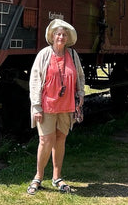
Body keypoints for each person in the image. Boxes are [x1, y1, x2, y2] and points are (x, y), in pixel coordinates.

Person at [27, 19, 85, 195]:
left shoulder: (73, 55)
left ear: (67, 38)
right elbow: (35, 81)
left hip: (66, 106)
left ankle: (57, 177)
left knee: (60, 139)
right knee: (45, 140)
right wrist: (36, 106)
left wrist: (81, 94)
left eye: (64, 35)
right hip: (46, 106)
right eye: (58, 34)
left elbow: (80, 76)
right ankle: (38, 177)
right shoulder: (44, 54)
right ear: (52, 37)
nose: (61, 37)